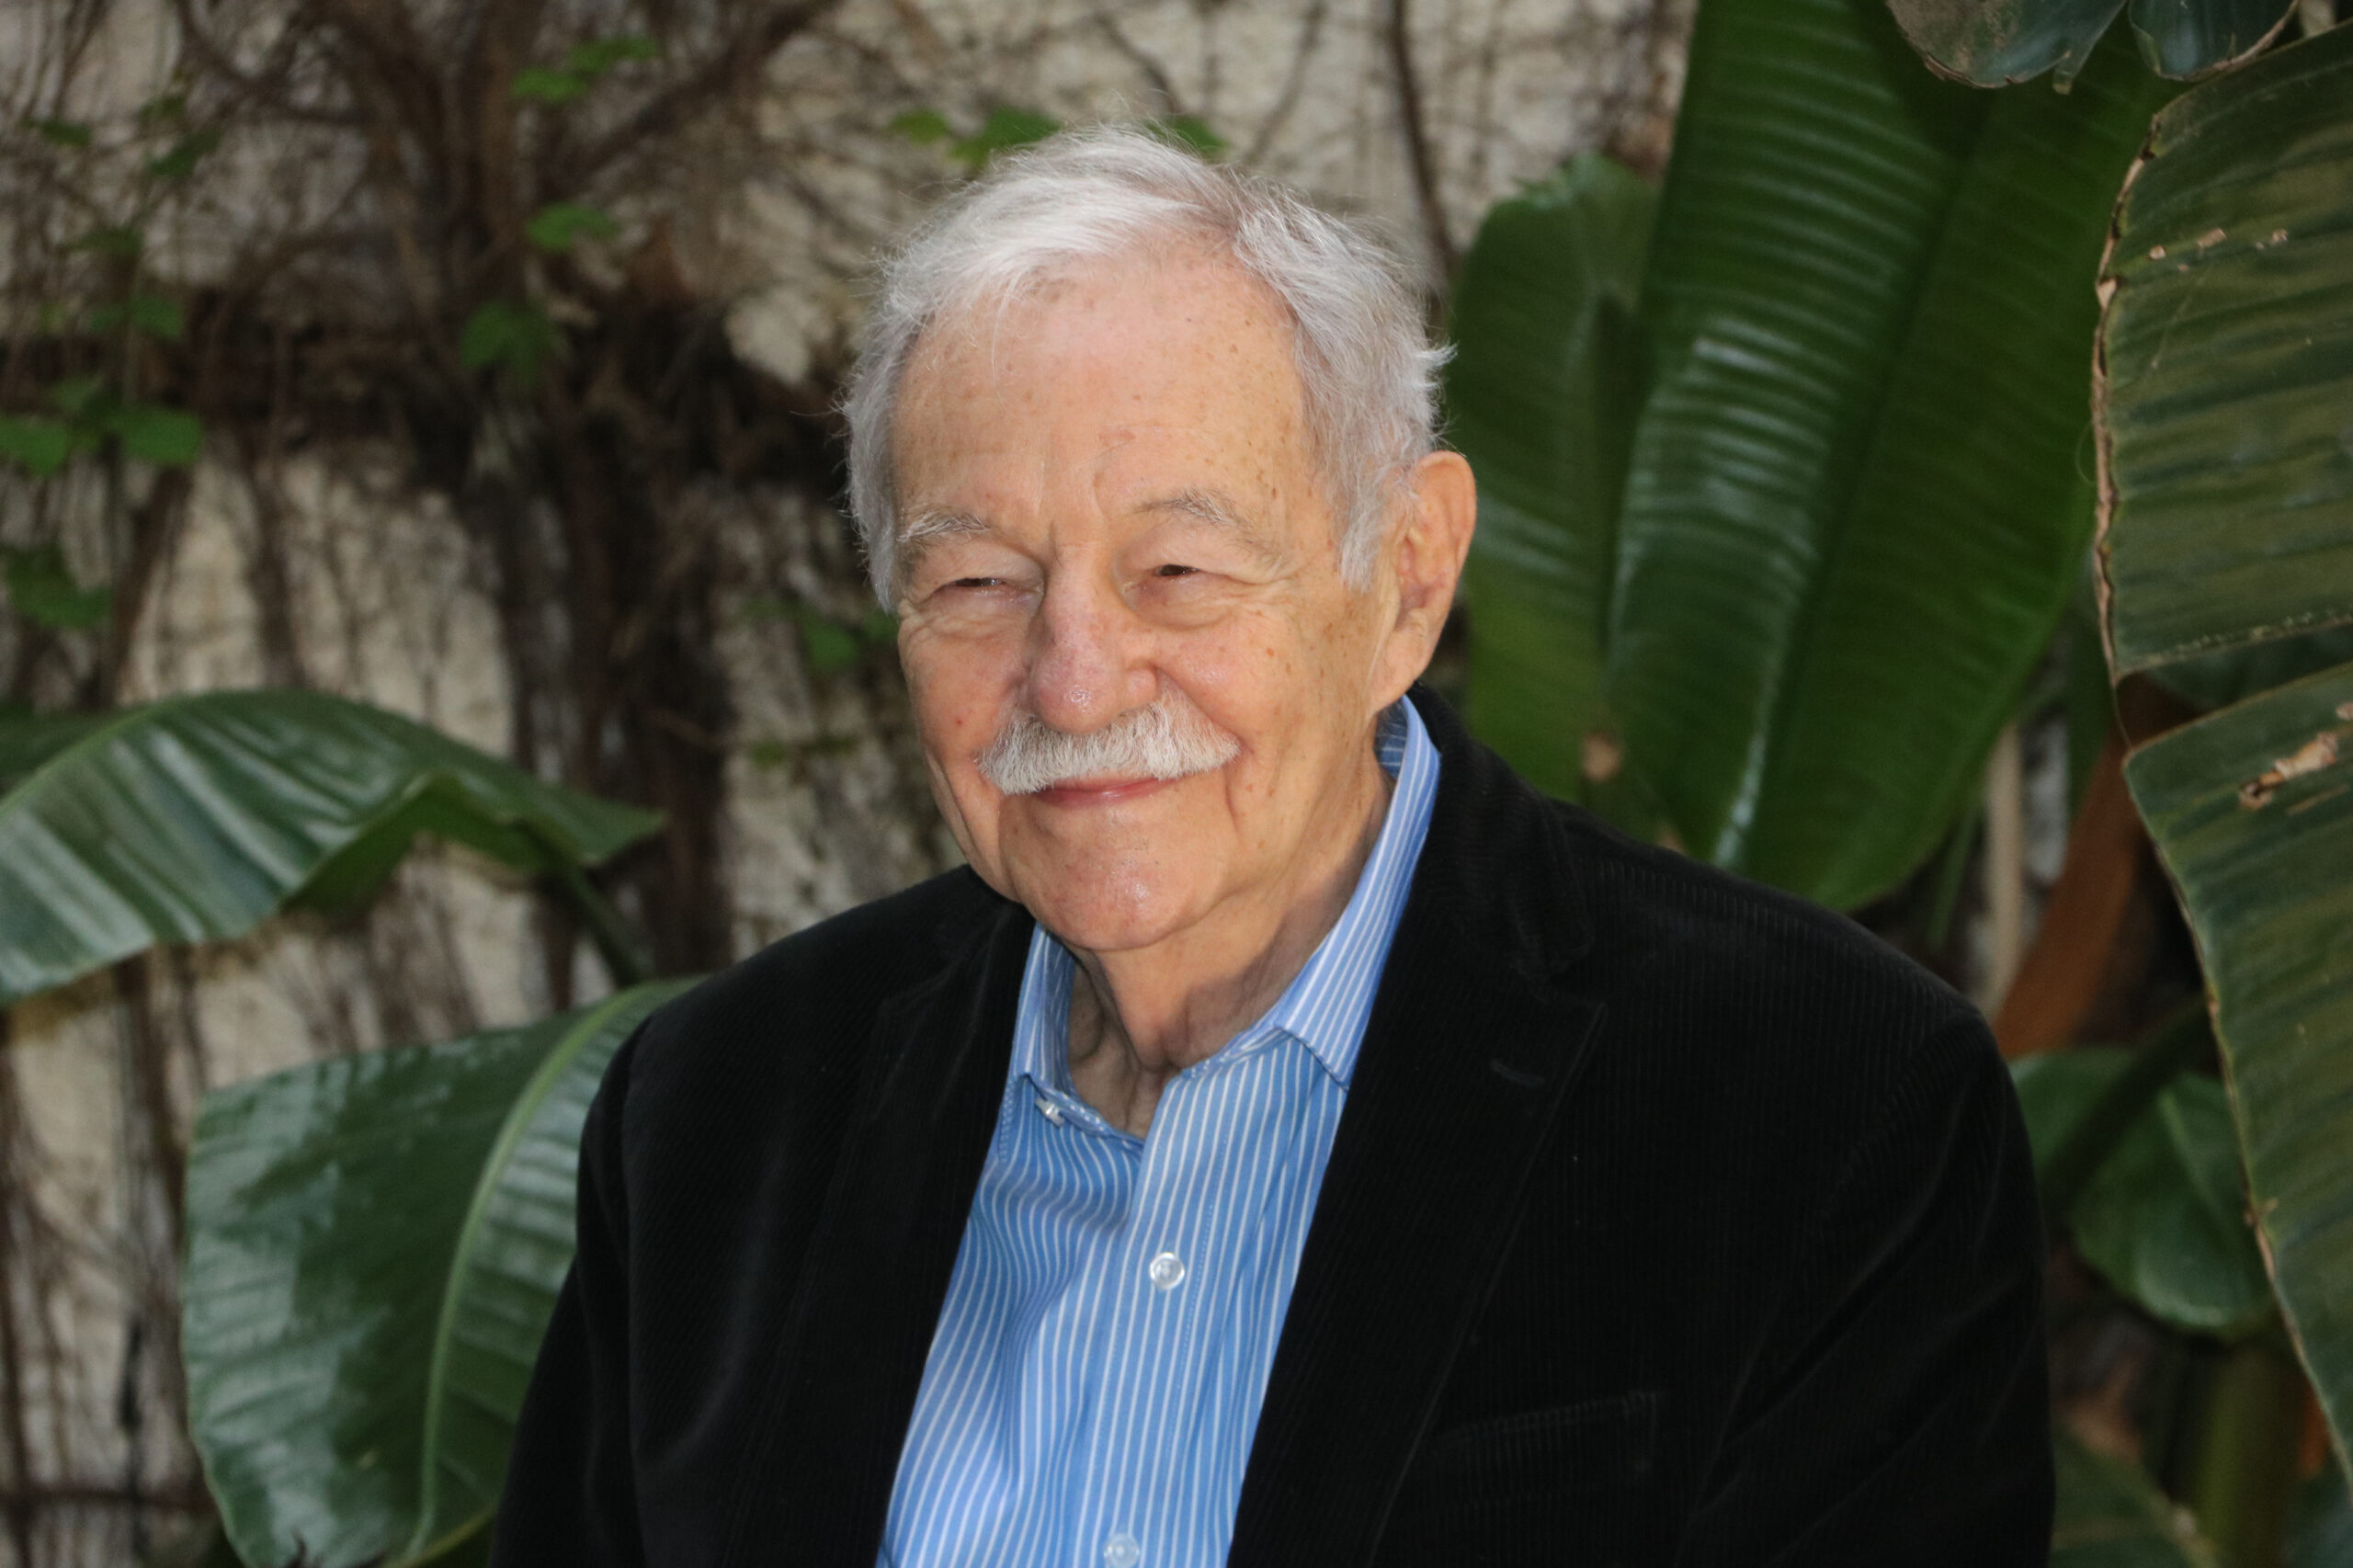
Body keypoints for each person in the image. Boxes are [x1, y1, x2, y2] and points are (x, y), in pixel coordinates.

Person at [492, 127, 2051, 1568]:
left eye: (1177, 569)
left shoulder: (1819, 1103)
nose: (1074, 682)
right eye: (977, 584)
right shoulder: (719, 1122)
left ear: (1408, 579)